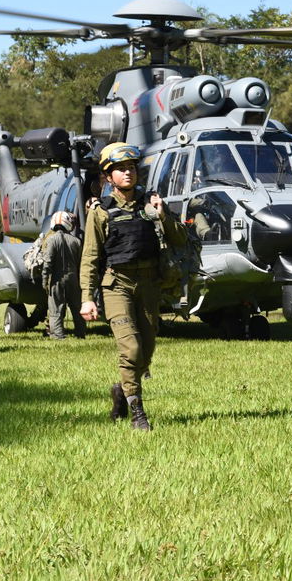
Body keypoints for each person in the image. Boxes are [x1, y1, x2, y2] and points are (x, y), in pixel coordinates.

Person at [81, 142, 186, 431]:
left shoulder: (150, 205)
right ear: (108, 176)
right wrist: (86, 298)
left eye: (131, 168)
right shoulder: (100, 211)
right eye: (120, 169)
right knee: (132, 348)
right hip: (117, 285)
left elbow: (180, 239)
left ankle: (121, 391)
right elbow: (90, 257)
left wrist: (163, 213)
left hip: (149, 284)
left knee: (147, 351)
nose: (128, 173)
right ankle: (138, 411)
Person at [42, 211, 85, 340]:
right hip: (73, 279)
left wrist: (45, 281)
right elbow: (80, 263)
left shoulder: (51, 240)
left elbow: (47, 263)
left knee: (56, 310)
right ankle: (81, 334)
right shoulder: (76, 241)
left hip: (56, 280)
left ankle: (59, 336)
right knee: (77, 308)